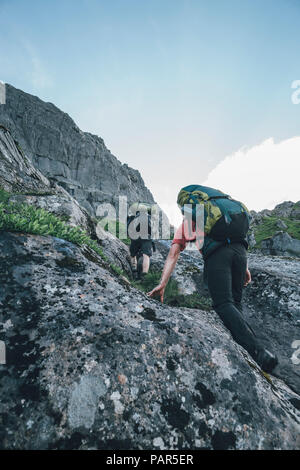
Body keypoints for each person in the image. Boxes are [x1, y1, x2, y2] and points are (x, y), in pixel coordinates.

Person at [148, 185, 278, 373]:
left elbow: (173, 254)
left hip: (218, 257)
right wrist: (245, 268)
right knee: (235, 304)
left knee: (223, 304)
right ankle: (253, 351)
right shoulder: (221, 213)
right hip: (240, 253)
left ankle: (258, 352)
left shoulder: (191, 220)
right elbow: (232, 239)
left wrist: (162, 283)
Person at [127, 204, 155, 280]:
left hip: (135, 236)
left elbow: (128, 227)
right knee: (146, 255)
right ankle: (144, 275)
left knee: (133, 254)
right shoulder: (149, 217)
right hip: (147, 237)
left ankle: (134, 270)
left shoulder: (133, 216)